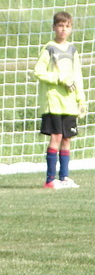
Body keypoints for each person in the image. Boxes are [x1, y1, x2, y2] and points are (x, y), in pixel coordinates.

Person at [34, 11, 86, 190]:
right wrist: (59, 78)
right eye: (60, 26)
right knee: (56, 137)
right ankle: (50, 180)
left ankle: (64, 177)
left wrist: (81, 99)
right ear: (54, 27)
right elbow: (38, 72)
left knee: (67, 139)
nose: (63, 29)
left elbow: (77, 75)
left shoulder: (72, 50)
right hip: (54, 102)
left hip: (69, 103)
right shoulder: (49, 49)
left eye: (67, 26)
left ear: (71, 29)